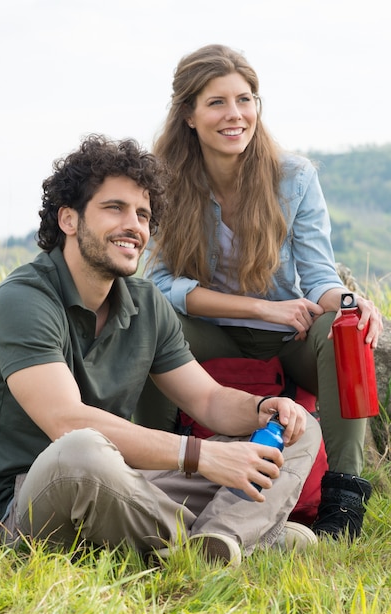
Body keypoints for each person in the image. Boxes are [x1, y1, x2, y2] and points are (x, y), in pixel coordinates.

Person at [0, 134, 322, 565]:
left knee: (297, 425)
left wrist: (264, 407)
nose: (134, 226)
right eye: (114, 208)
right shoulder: (22, 301)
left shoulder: (143, 302)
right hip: (22, 505)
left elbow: (208, 399)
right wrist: (202, 455)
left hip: (123, 482)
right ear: (68, 219)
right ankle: (243, 535)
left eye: (143, 214)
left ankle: (219, 541)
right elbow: (65, 421)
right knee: (81, 450)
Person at [136, 44, 383, 541]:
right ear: (188, 114)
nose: (236, 115)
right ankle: (150, 474)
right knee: (145, 317)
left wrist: (352, 305)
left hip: (287, 341)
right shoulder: (165, 180)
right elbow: (162, 286)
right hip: (210, 334)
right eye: (217, 102)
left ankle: (343, 500)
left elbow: (318, 278)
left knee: (346, 330)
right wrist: (259, 307)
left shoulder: (293, 178)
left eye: (245, 99)